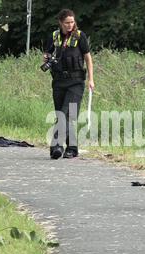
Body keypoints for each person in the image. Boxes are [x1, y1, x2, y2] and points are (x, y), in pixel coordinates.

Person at [43, 9, 94, 159]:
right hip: (59, 81)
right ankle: (72, 148)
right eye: (67, 23)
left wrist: (91, 79)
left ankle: (56, 144)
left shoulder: (80, 36)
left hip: (76, 82)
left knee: (67, 112)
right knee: (62, 114)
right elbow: (46, 55)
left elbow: (88, 58)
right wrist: (47, 59)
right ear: (60, 22)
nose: (70, 25)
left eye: (72, 22)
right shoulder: (53, 36)